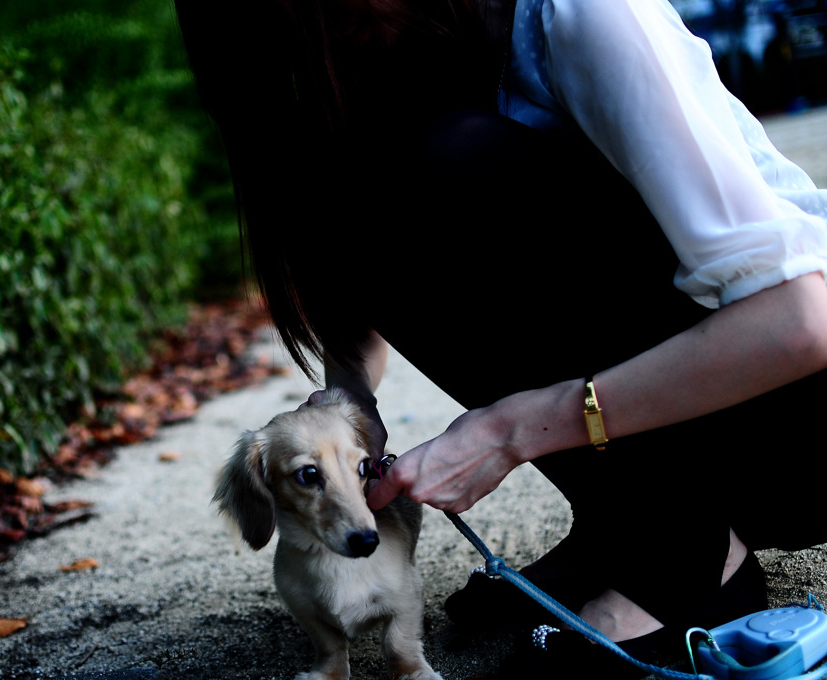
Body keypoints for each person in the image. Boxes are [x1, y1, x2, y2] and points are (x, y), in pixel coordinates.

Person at [174, 0, 827, 676]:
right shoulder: (407, 67)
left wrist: (510, 430)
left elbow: (802, 323)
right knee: (383, 195)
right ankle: (624, 525)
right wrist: (350, 400)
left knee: (455, 166)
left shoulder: (586, 17)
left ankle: (685, 554)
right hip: (728, 413)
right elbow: (370, 277)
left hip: (800, 421)